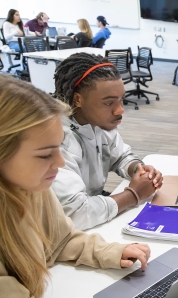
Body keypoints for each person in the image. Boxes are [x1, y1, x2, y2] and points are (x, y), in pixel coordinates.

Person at [0, 74, 178, 298]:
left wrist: (110, 252)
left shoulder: (28, 186)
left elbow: (60, 239)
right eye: (44, 155)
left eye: (59, 147)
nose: (61, 163)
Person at [52, 53, 163, 231]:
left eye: (121, 100)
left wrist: (137, 169)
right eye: (109, 102)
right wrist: (133, 194)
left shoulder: (98, 122)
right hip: (68, 228)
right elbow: (74, 214)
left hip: (93, 208)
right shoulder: (55, 140)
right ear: (78, 99)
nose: (120, 110)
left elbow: (120, 156)